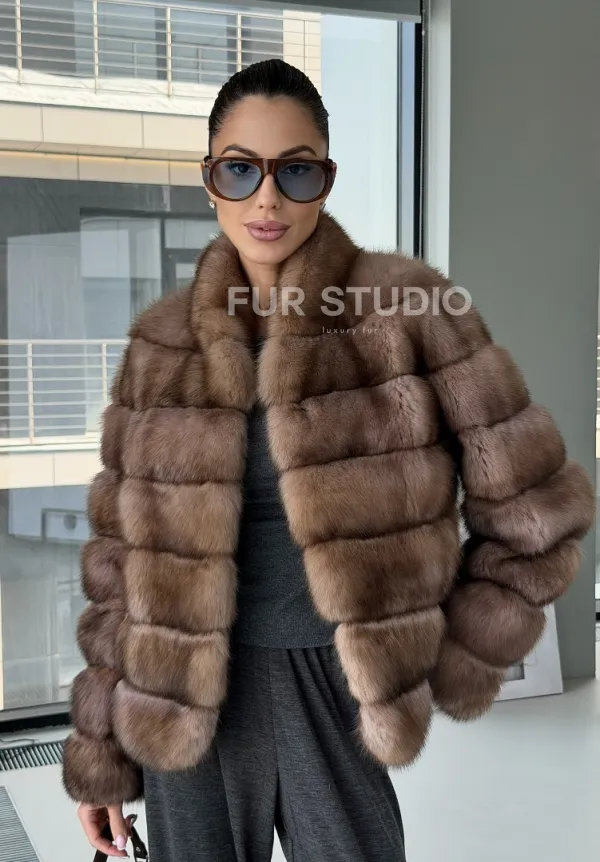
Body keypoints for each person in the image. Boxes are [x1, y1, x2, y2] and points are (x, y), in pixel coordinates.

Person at [61, 58, 594, 861]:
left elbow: (537, 515)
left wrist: (453, 653)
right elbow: (116, 566)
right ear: (209, 181)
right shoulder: (160, 344)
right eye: (240, 169)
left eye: (297, 170)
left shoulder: (408, 309)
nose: (267, 198)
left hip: (331, 686)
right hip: (179, 694)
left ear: (327, 179)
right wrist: (99, 757)